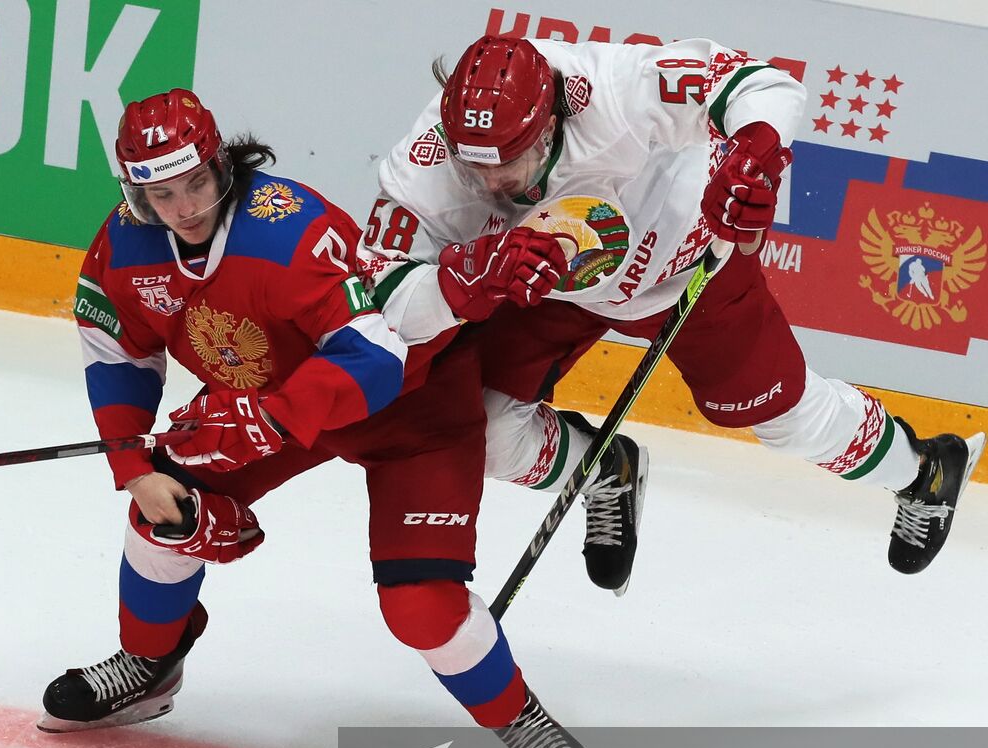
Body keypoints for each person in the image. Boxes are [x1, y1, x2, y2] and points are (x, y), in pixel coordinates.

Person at [39, 88, 597, 748]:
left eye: (197, 184)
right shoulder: (125, 244)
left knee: (420, 606)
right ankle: (148, 664)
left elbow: (376, 356)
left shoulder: (289, 231)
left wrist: (270, 417)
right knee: (164, 505)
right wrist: (130, 463)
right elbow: (115, 351)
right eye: (161, 194)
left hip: (412, 405)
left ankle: (520, 718)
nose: (182, 208)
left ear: (222, 165)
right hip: (272, 404)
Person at [359, 34, 984, 577]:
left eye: (511, 166)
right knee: (483, 432)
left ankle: (923, 469)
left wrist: (755, 154)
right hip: (542, 280)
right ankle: (606, 469)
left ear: (550, 123)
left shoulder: (614, 88)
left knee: (785, 419)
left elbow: (760, 83)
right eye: (475, 170)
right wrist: (469, 279)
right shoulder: (425, 168)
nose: (491, 187)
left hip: (687, 265)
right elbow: (385, 298)